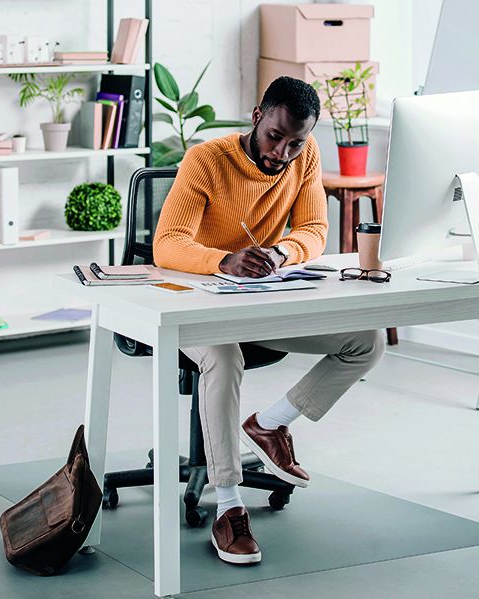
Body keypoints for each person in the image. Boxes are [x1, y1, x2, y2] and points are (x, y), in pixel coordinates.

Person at [153, 76, 384, 564]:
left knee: (366, 339)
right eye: (275, 136)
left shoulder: (304, 156)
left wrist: (281, 251)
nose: (282, 152)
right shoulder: (206, 160)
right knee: (220, 352)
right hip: (195, 304)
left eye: (295, 142)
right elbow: (168, 243)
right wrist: (223, 260)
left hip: (258, 300)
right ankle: (229, 506)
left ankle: (270, 424)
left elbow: (314, 229)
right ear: (257, 116)